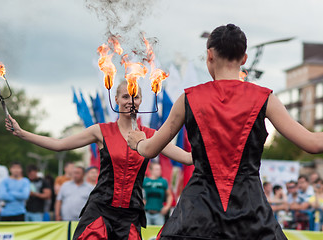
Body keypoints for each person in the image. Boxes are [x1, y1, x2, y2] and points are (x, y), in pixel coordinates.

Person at [126, 23, 323, 239]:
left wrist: (137, 141)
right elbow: (314, 144)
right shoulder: (266, 99)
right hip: (250, 211)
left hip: (197, 213)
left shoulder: (188, 98)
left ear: (209, 55)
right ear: (244, 58)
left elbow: (151, 149)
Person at [5, 80, 192, 239]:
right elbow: (59, 144)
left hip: (130, 214)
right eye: (125, 97)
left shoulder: (152, 136)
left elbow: (187, 158)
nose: (130, 101)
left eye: (135, 97)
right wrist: (22, 134)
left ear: (141, 100)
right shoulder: (101, 131)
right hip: (100, 211)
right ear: (116, 99)